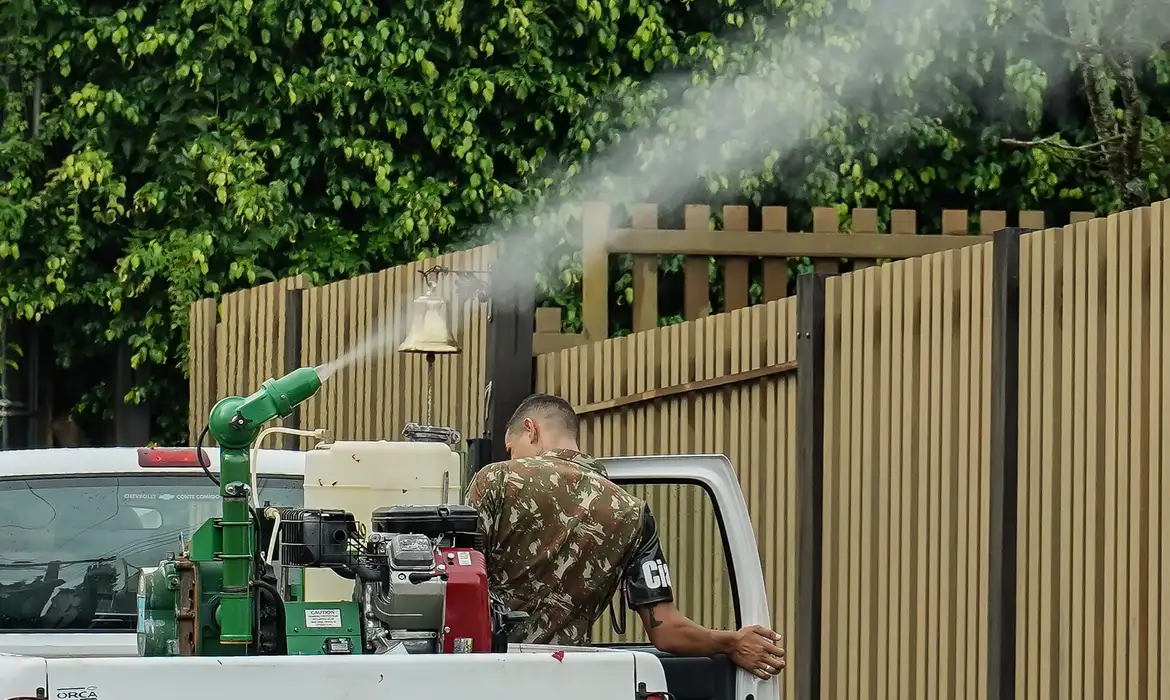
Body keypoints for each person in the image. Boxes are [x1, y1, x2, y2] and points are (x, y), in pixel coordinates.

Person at [466, 393, 786, 680]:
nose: (512, 458)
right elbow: (667, 631)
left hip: (491, 675)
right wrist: (732, 642)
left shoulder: (497, 480)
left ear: (531, 429)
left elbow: (459, 580)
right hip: (569, 682)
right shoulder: (632, 513)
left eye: (512, 448)